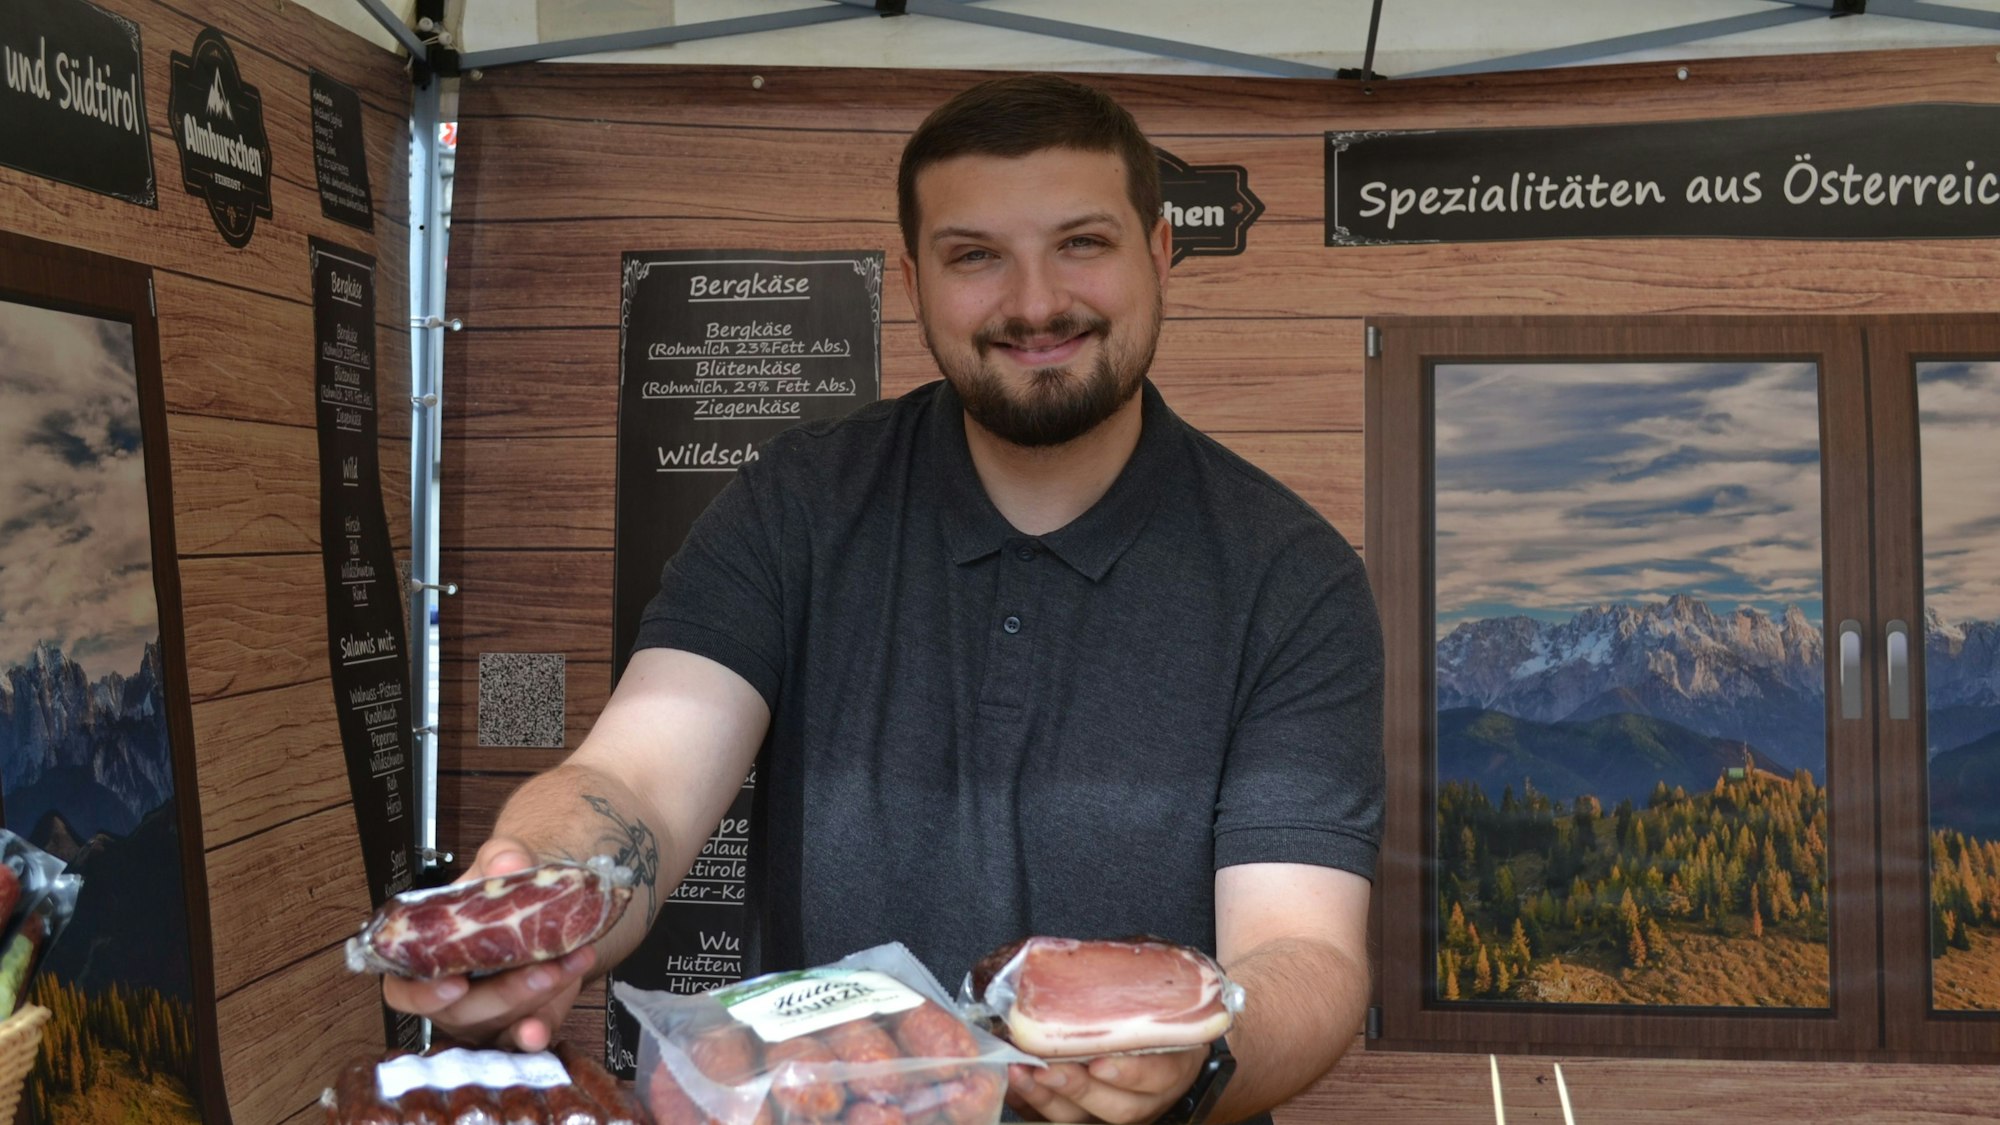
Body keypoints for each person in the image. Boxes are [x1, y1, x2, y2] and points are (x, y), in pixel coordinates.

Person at [387, 74, 1382, 1125]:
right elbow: (635, 777)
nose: (1035, 302)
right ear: (912, 279)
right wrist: (547, 892)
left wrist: (1200, 1064)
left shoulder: (1289, 575)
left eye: (1081, 243)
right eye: (974, 256)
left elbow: (1303, 951)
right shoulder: (796, 506)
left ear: (1160, 251)